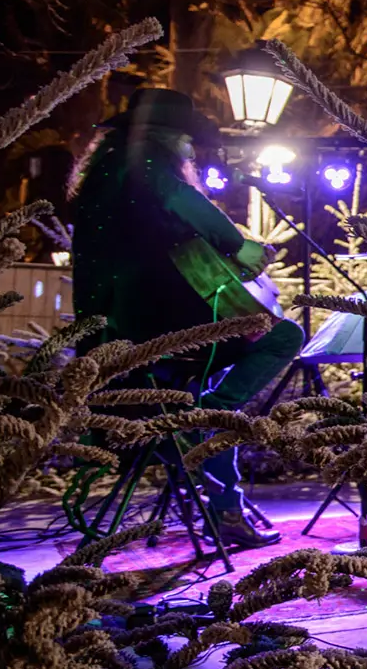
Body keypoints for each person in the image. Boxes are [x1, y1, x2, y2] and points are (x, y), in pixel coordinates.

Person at [70, 88, 302, 549]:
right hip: (155, 335)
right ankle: (215, 416)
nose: (192, 152)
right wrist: (239, 247)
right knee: (284, 336)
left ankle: (221, 490)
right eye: (187, 141)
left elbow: (170, 244)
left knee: (199, 404)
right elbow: (182, 201)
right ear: (169, 136)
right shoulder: (144, 168)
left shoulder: (111, 179)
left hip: (124, 340)